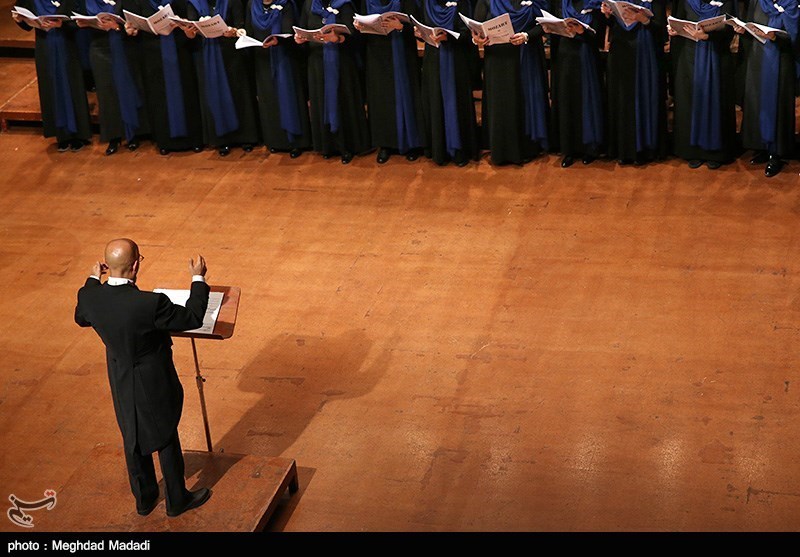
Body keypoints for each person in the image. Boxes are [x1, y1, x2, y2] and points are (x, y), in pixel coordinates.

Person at [74, 239, 212, 518]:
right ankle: (177, 498)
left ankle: (145, 499)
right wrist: (198, 277)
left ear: (107, 267)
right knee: (166, 431)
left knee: (132, 433)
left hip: (120, 375)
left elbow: (81, 317)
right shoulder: (150, 304)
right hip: (153, 377)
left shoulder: (89, 296)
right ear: (136, 264)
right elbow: (193, 316)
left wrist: (92, 277)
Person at [473, 0, 551, 165]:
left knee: (522, 101)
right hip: (497, 60)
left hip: (525, 57)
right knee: (501, 104)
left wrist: (526, 36)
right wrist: (477, 39)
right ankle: (500, 150)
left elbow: (545, 24)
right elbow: (476, 26)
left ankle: (526, 148)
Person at [124, 0, 206, 156]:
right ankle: (165, 141)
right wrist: (130, 30)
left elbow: (190, 25)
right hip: (153, 55)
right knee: (159, 96)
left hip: (180, 51)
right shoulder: (141, 3)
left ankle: (194, 140)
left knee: (186, 93)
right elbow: (134, 28)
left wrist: (186, 29)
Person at [296, 0, 371, 164]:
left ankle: (347, 146)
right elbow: (302, 29)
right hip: (317, 64)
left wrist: (339, 39)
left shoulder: (344, 4)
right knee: (321, 102)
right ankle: (327, 146)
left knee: (343, 103)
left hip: (341, 63)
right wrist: (300, 39)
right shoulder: (309, 4)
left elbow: (356, 37)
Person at [13, 0, 93, 152]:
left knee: (71, 87)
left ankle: (79, 134)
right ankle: (61, 135)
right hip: (44, 46)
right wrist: (19, 20)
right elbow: (26, 20)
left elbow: (79, 22)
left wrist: (61, 25)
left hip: (66, 45)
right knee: (51, 87)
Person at [183, 0, 260, 156]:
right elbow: (191, 33)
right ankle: (222, 140)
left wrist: (233, 31)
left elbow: (241, 25)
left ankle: (246, 137)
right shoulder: (193, 3)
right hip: (208, 54)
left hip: (231, 53)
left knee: (238, 93)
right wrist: (189, 30)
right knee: (216, 96)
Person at [669, 0, 738, 169]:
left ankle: (715, 152)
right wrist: (674, 30)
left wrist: (708, 36)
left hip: (717, 56)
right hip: (689, 56)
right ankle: (693, 151)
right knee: (690, 101)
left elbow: (730, 29)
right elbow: (677, 19)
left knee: (715, 101)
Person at [355, 0, 426, 164]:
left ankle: (413, 144)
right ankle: (385, 144)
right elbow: (360, 31)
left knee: (406, 96)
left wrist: (400, 27)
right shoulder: (366, 2)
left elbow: (418, 27)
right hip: (377, 56)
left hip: (402, 53)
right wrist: (359, 27)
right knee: (381, 99)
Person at [76, 0, 150, 155]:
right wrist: (85, 24)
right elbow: (75, 18)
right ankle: (114, 137)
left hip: (125, 46)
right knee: (107, 93)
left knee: (130, 87)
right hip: (99, 48)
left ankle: (134, 133)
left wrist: (116, 27)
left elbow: (137, 20)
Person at [735, 0, 798, 177]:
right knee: (757, 101)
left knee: (776, 105)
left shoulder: (792, 3)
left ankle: (776, 153)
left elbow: (796, 36)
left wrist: (776, 38)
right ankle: (761, 146)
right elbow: (751, 25)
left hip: (781, 60)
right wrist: (743, 30)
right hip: (758, 57)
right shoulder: (757, 1)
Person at [601, 0, 668, 165]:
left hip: (645, 54)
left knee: (643, 98)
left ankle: (645, 149)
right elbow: (611, 25)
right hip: (620, 51)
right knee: (622, 99)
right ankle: (623, 150)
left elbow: (661, 32)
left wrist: (644, 20)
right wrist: (607, 15)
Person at [245, 0, 312, 158]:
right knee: (270, 100)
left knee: (288, 97)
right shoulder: (251, 5)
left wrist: (279, 41)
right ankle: (275, 141)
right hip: (262, 60)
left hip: (285, 59)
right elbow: (249, 30)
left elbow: (290, 31)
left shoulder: (286, 4)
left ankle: (296, 142)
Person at [417, 0, 480, 166]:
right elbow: (420, 26)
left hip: (456, 59)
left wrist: (449, 37)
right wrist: (420, 33)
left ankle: (460, 149)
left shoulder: (463, 3)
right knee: (435, 101)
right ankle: (439, 150)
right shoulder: (426, 3)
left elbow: (467, 32)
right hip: (433, 60)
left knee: (456, 103)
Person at [547, 0, 607, 167]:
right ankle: (569, 149)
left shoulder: (595, 4)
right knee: (567, 101)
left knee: (587, 101)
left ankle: (590, 148)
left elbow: (598, 37)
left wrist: (582, 32)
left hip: (586, 57)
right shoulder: (560, 3)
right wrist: (550, 29)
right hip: (565, 56)